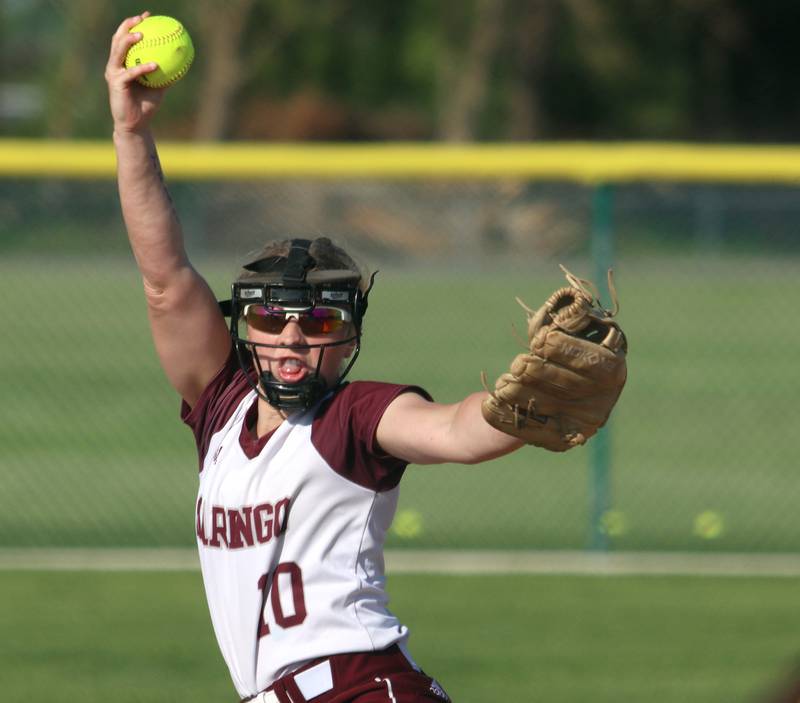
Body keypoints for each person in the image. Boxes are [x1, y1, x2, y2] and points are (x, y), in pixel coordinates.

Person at [106, 13, 526, 703]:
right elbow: (164, 278)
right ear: (245, 326)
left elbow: (454, 429)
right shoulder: (221, 410)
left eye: (319, 319)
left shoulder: (354, 417)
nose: (293, 338)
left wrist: (523, 406)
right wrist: (131, 131)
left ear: (351, 334)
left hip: (361, 689)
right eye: (272, 317)